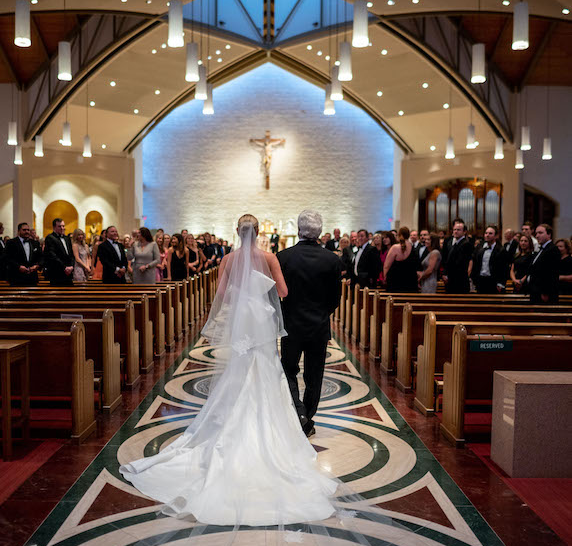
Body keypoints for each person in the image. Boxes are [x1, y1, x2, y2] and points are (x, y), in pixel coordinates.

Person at [119, 212, 352, 529]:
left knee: (240, 374)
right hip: (263, 323)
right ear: (257, 233)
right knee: (270, 373)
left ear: (237, 231)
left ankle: (231, 422)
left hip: (244, 322)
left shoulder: (228, 260)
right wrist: (263, 291)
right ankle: (289, 424)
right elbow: (282, 292)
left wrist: (243, 296)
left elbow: (221, 295)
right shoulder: (269, 256)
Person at [277, 209, 342, 438]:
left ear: (298, 230)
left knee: (288, 370)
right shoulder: (332, 260)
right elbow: (335, 299)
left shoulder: (283, 257)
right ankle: (307, 417)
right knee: (314, 376)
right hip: (318, 326)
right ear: (320, 232)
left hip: (291, 325)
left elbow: (278, 294)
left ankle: (299, 414)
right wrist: (322, 312)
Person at [470, 225, 509, 293]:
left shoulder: (501, 250)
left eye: (490, 233)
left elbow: (504, 268)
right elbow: (475, 263)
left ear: (496, 236)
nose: (487, 235)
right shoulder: (479, 247)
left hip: (493, 281)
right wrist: (474, 279)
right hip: (480, 281)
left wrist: (501, 283)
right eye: (486, 233)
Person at [527, 224, 560, 304]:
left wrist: (545, 292)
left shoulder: (552, 249)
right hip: (536, 291)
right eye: (536, 233)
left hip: (544, 293)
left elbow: (551, 273)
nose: (537, 236)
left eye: (540, 233)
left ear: (549, 234)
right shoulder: (541, 249)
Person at [441, 219, 473, 293]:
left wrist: (447, 274)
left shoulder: (466, 244)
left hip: (459, 280)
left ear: (464, 232)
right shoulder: (455, 243)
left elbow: (459, 263)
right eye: (454, 229)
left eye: (458, 230)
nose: (455, 231)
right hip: (452, 280)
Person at [383, 226, 419, 292]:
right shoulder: (413, 248)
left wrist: (385, 277)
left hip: (395, 282)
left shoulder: (395, 248)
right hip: (410, 282)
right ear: (408, 235)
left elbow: (386, 266)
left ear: (399, 235)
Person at [43, 218, 74, 286]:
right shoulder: (50, 238)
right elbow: (52, 255)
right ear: (54, 227)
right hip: (57, 273)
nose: (62, 228)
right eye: (59, 226)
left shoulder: (67, 238)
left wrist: (71, 266)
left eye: (63, 226)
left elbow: (71, 254)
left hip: (68, 273)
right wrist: (64, 267)